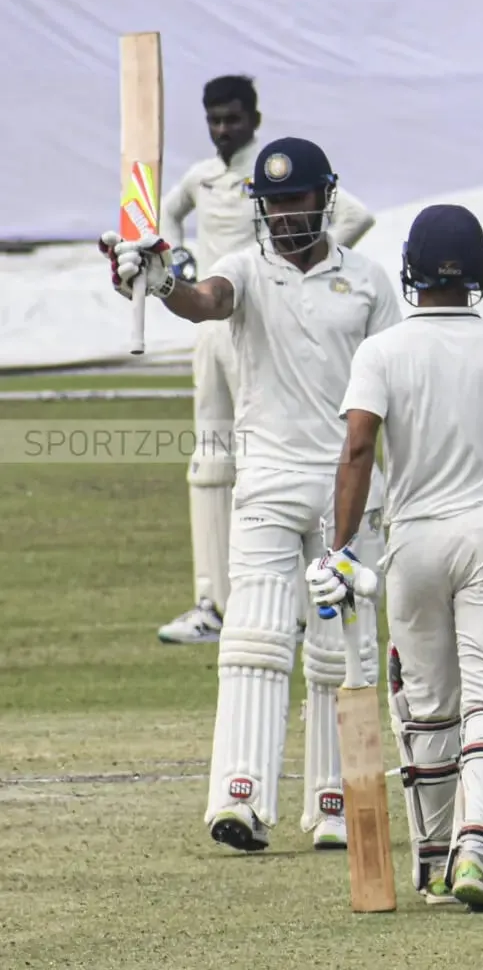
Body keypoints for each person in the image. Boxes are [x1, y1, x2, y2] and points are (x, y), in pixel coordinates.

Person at [98, 136, 401, 851]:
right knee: (253, 640)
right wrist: (157, 276)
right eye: (271, 204)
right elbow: (202, 301)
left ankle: (336, 803)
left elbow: (398, 386)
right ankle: (240, 797)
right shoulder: (243, 271)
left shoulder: (367, 282)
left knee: (337, 651)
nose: (284, 216)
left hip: (348, 490)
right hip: (265, 483)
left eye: (294, 200)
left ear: (323, 197)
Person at [306, 204, 483, 908]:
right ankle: (475, 849)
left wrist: (336, 550)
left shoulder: (382, 352)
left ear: (410, 271)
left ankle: (432, 866)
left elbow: (358, 449)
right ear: (479, 274)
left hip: (415, 543)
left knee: (427, 711)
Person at [157, 75, 376, 645]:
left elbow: (354, 216)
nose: (224, 129)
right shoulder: (200, 178)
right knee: (211, 456)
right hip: (216, 313)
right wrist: (171, 266)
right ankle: (211, 600)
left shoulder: (283, 169)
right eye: (215, 120)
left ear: (253, 118)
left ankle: (310, 604)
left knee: (291, 448)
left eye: (233, 118)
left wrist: (311, 265)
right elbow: (169, 218)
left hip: (268, 318)